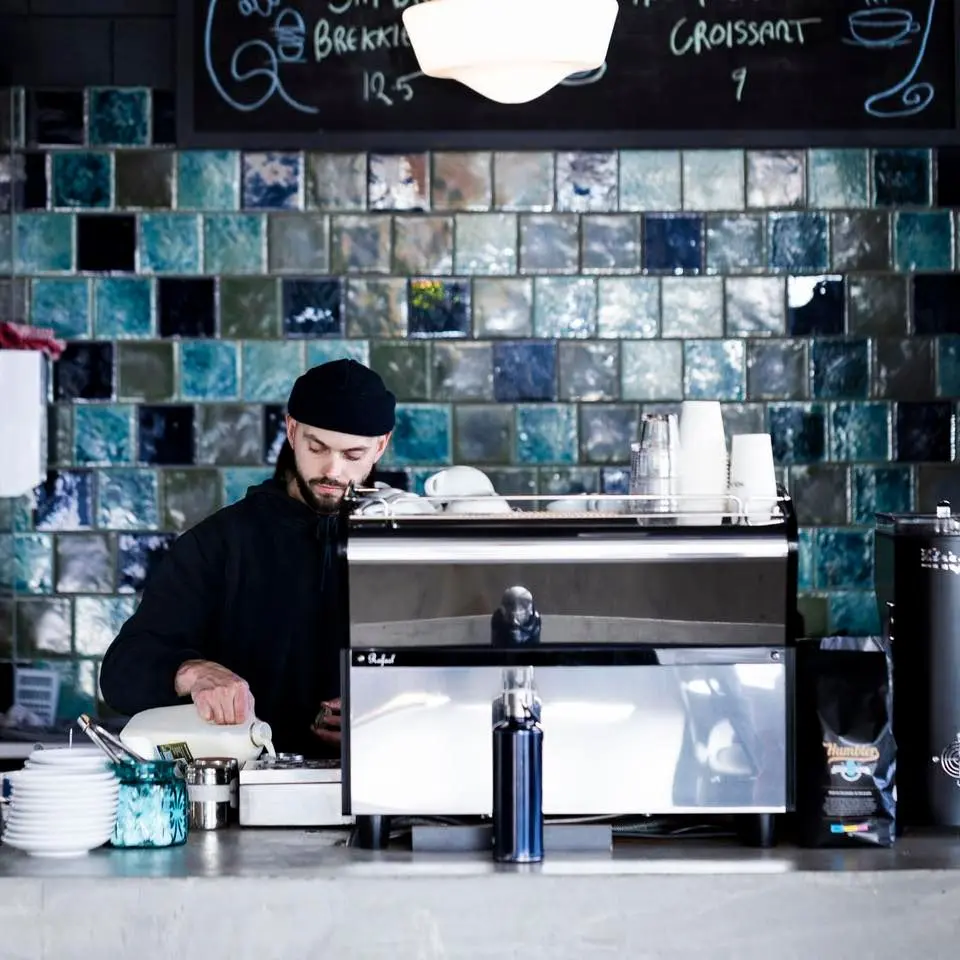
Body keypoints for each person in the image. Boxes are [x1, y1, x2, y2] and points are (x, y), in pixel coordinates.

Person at [99, 359, 396, 758]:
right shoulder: (218, 545)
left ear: (381, 445)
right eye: (317, 446)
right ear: (292, 431)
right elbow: (122, 670)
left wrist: (393, 714)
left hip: (381, 796)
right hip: (239, 801)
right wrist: (193, 673)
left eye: (353, 454)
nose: (332, 469)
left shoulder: (405, 548)